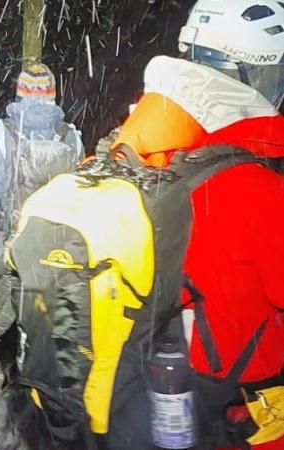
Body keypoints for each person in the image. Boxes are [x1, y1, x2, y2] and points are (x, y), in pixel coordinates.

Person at [107, 1, 284, 447]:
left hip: (132, 400)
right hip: (234, 420)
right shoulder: (257, 191)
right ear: (255, 74)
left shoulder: (126, 155)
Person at [0, 63, 83, 337]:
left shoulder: (1, 133)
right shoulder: (70, 137)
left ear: (20, 93)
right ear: (53, 96)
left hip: (6, 247)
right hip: (54, 250)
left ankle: (9, 366)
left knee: (1, 320)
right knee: (42, 325)